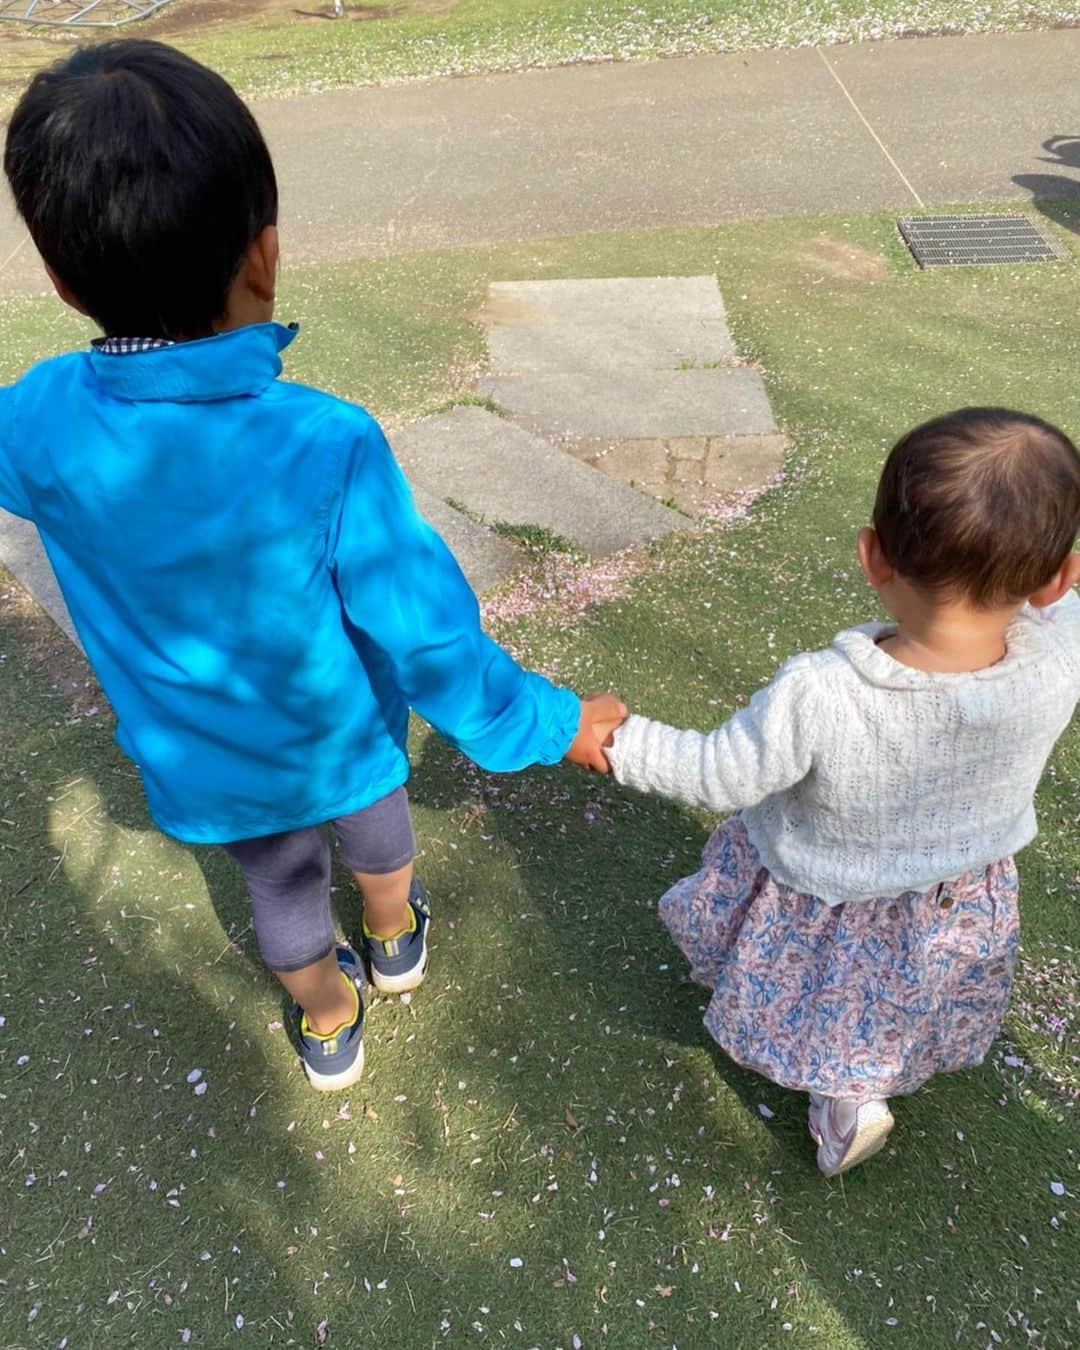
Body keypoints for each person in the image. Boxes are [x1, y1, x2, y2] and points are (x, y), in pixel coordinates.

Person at [0, 41, 622, 1092]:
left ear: (60, 281)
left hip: (199, 756)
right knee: (379, 843)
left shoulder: (40, 420)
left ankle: (328, 1021)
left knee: (282, 896)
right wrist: (547, 724)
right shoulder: (323, 441)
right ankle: (394, 938)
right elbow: (424, 632)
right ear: (264, 255)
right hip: (341, 738)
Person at [603, 409, 1080, 1176]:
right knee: (901, 990)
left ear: (872, 556)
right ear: (1059, 578)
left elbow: (715, 771)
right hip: (957, 893)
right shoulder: (1060, 656)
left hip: (826, 889)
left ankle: (847, 1097)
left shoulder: (823, 693)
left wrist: (614, 740)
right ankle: (870, 1078)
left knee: (835, 996)